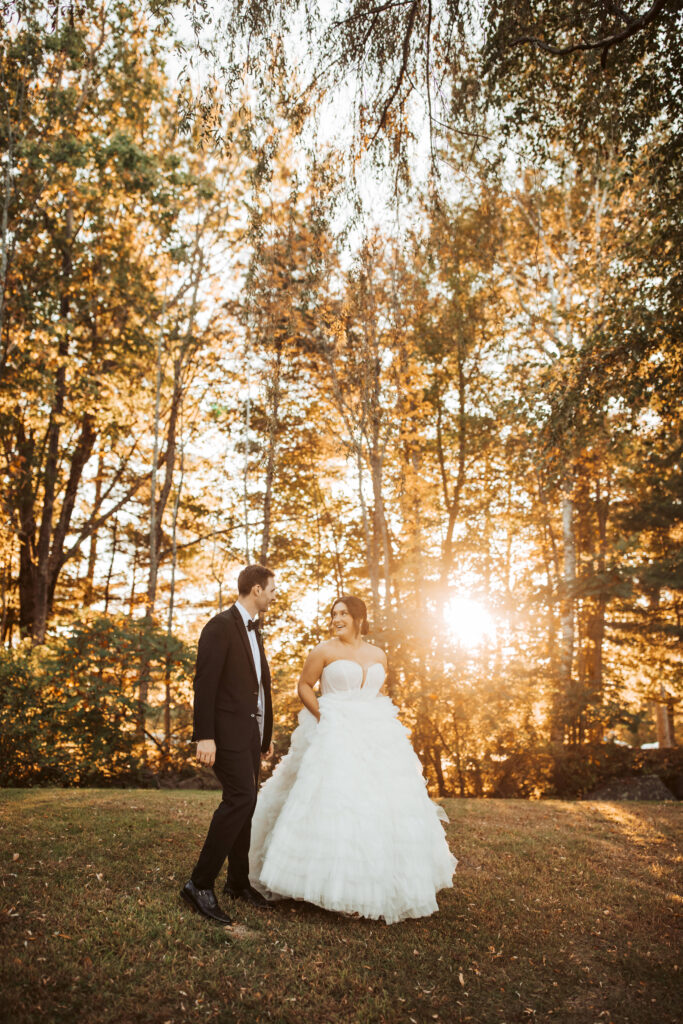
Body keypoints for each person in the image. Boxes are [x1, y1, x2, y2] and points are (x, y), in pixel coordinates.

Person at [248, 594, 457, 924]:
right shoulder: (324, 651)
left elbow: (379, 693)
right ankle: (321, 881)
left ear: (359, 617)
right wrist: (321, 716)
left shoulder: (378, 654)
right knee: (338, 800)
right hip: (334, 729)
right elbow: (303, 685)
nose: (337, 619)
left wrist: (384, 723)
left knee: (382, 803)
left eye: (344, 613)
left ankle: (383, 879)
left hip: (375, 734)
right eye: (334, 614)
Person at [181, 564, 276, 924]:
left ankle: (238, 883)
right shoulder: (220, 626)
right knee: (241, 799)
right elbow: (204, 684)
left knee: (247, 805)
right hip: (224, 733)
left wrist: (264, 737)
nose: (272, 596)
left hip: (249, 735)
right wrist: (204, 735)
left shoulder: (255, 630)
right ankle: (199, 884)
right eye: (270, 590)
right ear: (255, 589)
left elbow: (259, 687)